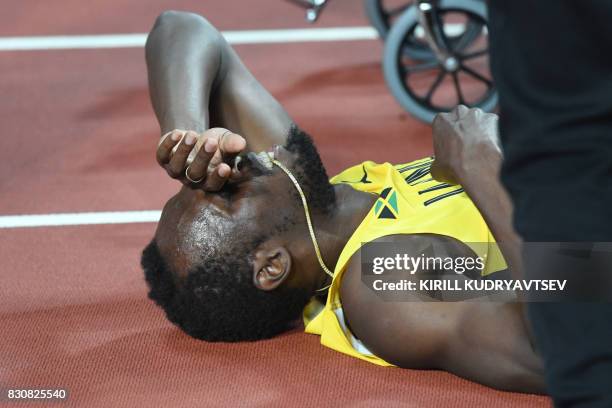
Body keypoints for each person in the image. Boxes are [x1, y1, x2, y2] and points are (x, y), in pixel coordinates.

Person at [140, 11, 543, 393]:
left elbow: (182, 29)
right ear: (274, 265)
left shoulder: (308, 197)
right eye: (224, 193)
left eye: (207, 176)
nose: (229, 167)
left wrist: (185, 134)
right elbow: (559, 351)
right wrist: (486, 170)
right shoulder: (382, 281)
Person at [487, 1, 612, 405]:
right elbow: (540, 354)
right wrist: (475, 169)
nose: (278, 157)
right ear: (278, 264)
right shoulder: (378, 278)